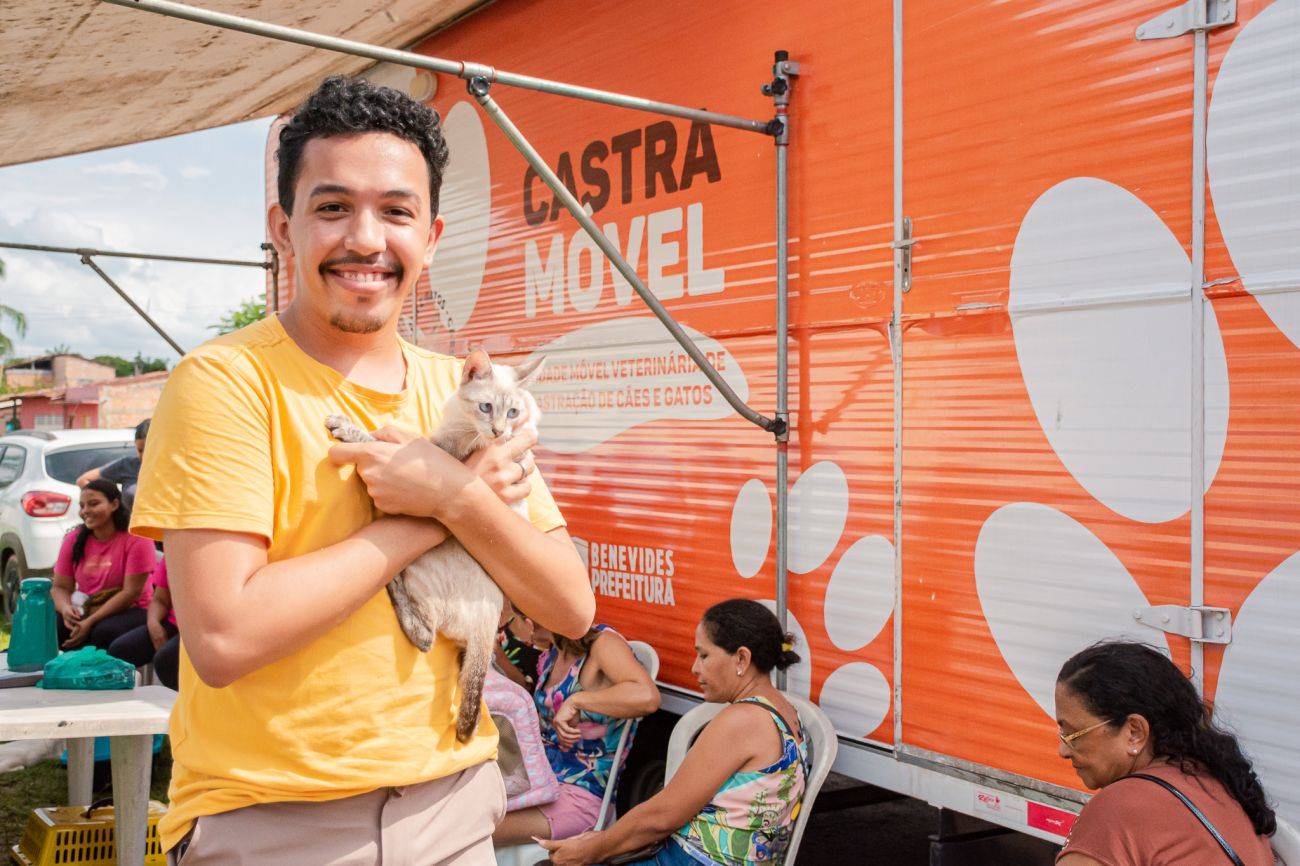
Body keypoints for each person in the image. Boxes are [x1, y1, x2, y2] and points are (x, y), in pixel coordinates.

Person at [129, 75, 594, 865]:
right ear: (284, 227)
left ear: (432, 236)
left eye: (397, 212)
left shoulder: (466, 392)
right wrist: (434, 511)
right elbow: (225, 637)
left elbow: (570, 605)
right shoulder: (226, 382)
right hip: (281, 824)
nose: (367, 240)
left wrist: (456, 496)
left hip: (455, 812)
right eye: (333, 206)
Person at [540, 599, 807, 866]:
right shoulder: (785, 711)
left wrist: (591, 849)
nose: (695, 668)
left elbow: (663, 817)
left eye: (704, 656)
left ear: (741, 658)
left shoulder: (743, 720)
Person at [1054, 641, 1275, 866]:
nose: (1062, 751)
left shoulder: (1118, 807)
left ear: (1134, 732)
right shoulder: (1219, 782)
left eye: (1073, 734)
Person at [494, 624, 660, 846]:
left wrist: (577, 701)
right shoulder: (553, 653)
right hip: (541, 784)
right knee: (463, 808)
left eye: (523, 614)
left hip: (580, 796)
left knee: (472, 828)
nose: (518, 622)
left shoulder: (602, 644)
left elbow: (647, 697)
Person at [51, 478, 157, 650]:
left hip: (133, 609)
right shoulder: (73, 539)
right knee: (56, 626)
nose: (86, 511)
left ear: (114, 504)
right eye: (82, 506)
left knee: (103, 632)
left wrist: (90, 621)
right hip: (88, 606)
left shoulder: (137, 539)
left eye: (93, 504)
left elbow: (131, 593)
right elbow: (60, 587)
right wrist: (66, 609)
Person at [106, 554, 181, 689]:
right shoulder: (172, 553)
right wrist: (153, 624)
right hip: (173, 622)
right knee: (120, 651)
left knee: (166, 660)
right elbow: (160, 600)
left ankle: (184, 699)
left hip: (198, 628)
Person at [77, 418, 149, 510]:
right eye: (140, 450)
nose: (144, 455)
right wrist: (109, 504)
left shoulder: (166, 469)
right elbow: (83, 480)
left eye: (149, 449)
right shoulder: (127, 465)